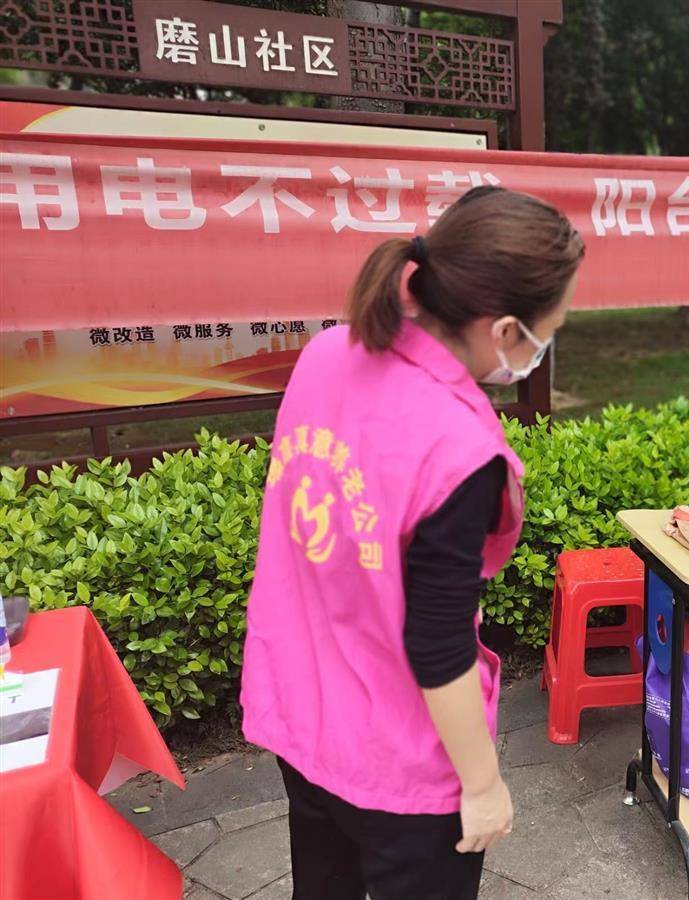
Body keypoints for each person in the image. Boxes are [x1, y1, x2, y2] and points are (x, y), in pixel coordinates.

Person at [240, 186, 585, 900]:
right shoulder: (458, 449)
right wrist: (483, 785)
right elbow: (437, 644)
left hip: (303, 711)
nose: (541, 349)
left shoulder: (328, 353)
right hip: (397, 758)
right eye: (547, 331)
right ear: (505, 330)